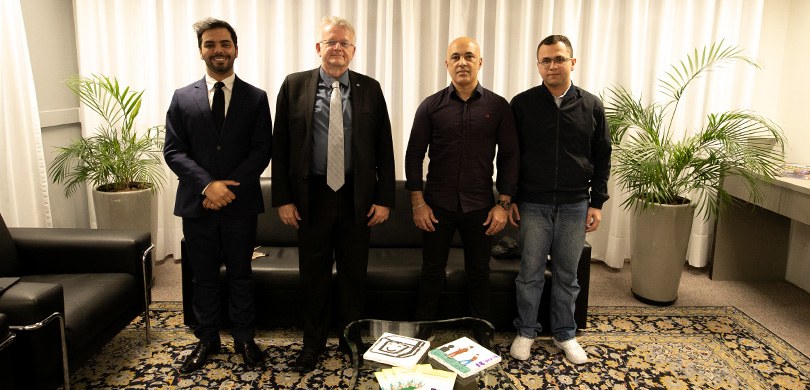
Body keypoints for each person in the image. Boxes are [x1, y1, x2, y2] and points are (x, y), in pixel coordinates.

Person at [271, 16, 396, 372]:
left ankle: (350, 340)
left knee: (354, 275)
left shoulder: (370, 88)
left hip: (358, 197)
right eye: (331, 42)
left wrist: (384, 198)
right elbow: (280, 146)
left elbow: (384, 147)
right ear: (319, 48)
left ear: (353, 51)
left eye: (344, 43)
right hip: (311, 196)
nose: (337, 48)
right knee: (313, 275)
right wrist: (283, 199)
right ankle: (312, 344)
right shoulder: (294, 86)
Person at [164, 17, 272, 373]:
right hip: (197, 204)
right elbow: (173, 151)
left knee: (241, 273)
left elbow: (261, 150)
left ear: (236, 49)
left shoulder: (256, 98)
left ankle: (244, 338)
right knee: (203, 276)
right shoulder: (182, 98)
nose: (218, 50)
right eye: (210, 44)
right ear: (201, 52)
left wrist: (226, 188)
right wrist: (207, 186)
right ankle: (207, 339)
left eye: (225, 43)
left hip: (240, 205)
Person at [508, 34, 611, 365]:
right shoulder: (522, 104)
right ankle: (526, 330)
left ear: (572, 62)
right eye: (546, 60)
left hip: (574, 204)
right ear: (539, 65)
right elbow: (510, 155)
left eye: (559, 59)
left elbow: (603, 156)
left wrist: (597, 202)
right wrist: (510, 197)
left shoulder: (592, 105)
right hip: (533, 203)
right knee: (530, 273)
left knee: (568, 274)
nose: (553, 65)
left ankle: (565, 333)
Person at [405, 37, 519, 325]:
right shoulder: (431, 106)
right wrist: (418, 203)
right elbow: (413, 155)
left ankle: (482, 331)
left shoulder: (498, 106)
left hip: (480, 207)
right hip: (437, 206)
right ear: (447, 64)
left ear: (480, 62)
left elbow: (509, 157)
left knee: (480, 272)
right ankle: (424, 328)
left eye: (469, 56)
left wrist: (503, 205)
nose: (462, 62)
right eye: (455, 57)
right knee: (431, 271)